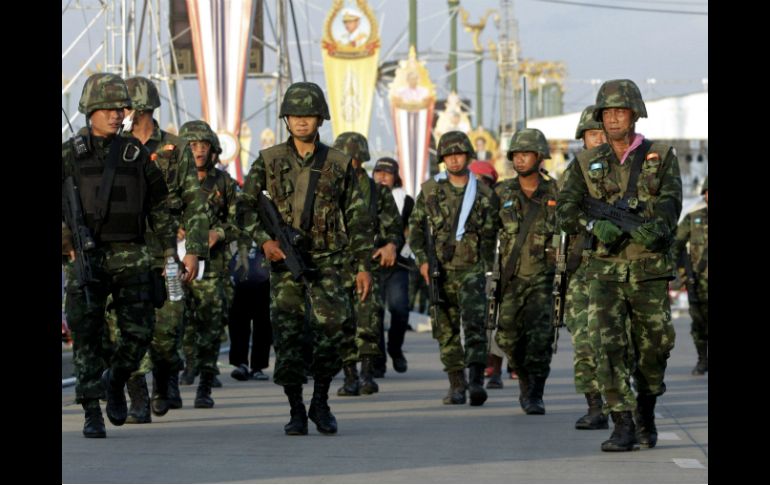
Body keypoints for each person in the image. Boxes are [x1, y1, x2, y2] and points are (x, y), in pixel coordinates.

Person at [239, 82, 374, 435]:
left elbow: (358, 218)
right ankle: (296, 408)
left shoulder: (338, 163)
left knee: (333, 331)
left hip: (329, 262)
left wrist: (363, 266)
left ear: (320, 119)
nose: (302, 121)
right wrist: (265, 241)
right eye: (295, 114)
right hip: (286, 264)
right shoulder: (269, 160)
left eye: (309, 115)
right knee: (288, 337)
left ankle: (321, 400)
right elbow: (244, 207)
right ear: (286, 118)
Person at [556, 79, 682, 452]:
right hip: (604, 271)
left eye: (619, 112)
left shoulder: (661, 156)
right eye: (607, 113)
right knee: (606, 347)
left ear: (634, 114)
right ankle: (622, 423)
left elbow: (671, 200)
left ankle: (646, 410)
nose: (612, 119)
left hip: (649, 269)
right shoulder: (584, 163)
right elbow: (565, 210)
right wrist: (592, 225)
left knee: (654, 347)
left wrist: (657, 227)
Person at [62, 73, 180, 438]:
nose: (117, 115)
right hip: (86, 257)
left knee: (140, 333)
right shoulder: (68, 154)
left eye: (121, 109)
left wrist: (167, 253)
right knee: (87, 335)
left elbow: (159, 204)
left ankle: (116, 379)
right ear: (90, 111)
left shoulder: (135, 153)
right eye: (109, 109)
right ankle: (91, 411)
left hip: (132, 254)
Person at [121, 76, 208, 422]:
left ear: (140, 108)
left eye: (124, 106)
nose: (118, 113)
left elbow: (194, 202)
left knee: (168, 327)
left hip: (168, 253)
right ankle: (138, 398)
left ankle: (165, 378)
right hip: (125, 252)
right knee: (126, 327)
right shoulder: (115, 146)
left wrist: (194, 250)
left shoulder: (175, 148)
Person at [408, 131, 498, 406]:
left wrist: (487, 270)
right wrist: (423, 260)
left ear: (468, 156)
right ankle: (456, 384)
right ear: (442, 159)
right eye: (449, 155)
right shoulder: (430, 191)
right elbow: (415, 231)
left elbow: (491, 234)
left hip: (472, 269)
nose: (454, 159)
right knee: (445, 330)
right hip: (440, 271)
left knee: (475, 326)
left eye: (459, 154)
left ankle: (475, 381)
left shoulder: (483, 193)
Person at [493, 129, 559, 415]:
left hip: (545, 279)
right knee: (507, 337)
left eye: (526, 154)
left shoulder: (556, 192)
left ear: (539, 156)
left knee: (540, 339)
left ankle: (535, 392)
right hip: (511, 278)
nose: (519, 160)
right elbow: (485, 231)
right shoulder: (501, 193)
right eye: (516, 155)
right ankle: (522, 376)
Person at [332, 134, 403, 396]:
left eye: (350, 158)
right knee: (341, 321)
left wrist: (391, 245)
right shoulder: (327, 189)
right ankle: (349, 375)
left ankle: (366, 374)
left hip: (368, 263)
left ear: (360, 158)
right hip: (337, 264)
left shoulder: (377, 192)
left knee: (368, 319)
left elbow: (394, 227)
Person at [178, 120, 240, 408]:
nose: (199, 151)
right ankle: (185, 367)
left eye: (203, 145)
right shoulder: (170, 181)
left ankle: (205, 381)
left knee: (211, 324)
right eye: (192, 146)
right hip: (176, 263)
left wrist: (220, 233)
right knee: (179, 321)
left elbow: (241, 222)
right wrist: (172, 228)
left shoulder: (224, 184)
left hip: (212, 267)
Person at [563, 105, 609, 429]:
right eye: (593, 134)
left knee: (620, 343)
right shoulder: (575, 171)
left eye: (603, 133)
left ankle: (625, 404)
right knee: (583, 340)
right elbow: (563, 215)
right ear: (583, 138)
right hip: (583, 266)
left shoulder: (632, 167)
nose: (599, 139)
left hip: (622, 267)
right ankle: (594, 406)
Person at [372, 157, 414, 375]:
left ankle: (395, 349)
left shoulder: (406, 200)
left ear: (395, 177)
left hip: (397, 264)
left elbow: (413, 231)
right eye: (378, 172)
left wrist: (398, 250)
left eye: (387, 173)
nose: (382, 176)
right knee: (374, 312)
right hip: (371, 263)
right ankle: (378, 360)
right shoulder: (365, 197)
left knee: (399, 309)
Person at [672, 176, 708, 375]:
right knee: (699, 324)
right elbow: (676, 245)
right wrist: (677, 272)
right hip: (698, 281)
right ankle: (703, 359)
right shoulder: (693, 219)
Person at [228, 238, 272, 381]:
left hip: (264, 282)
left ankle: (258, 367)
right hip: (238, 283)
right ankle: (241, 364)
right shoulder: (236, 229)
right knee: (238, 325)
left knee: (263, 325)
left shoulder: (267, 229)